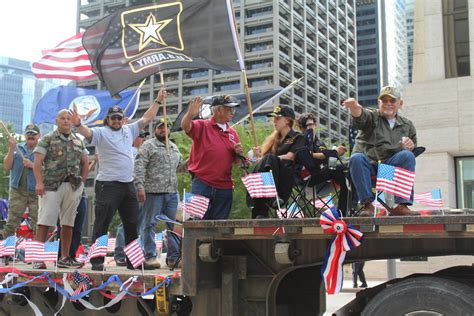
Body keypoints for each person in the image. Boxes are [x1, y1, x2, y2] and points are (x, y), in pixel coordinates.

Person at [72, 89, 166, 271]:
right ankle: (97, 261)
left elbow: (147, 117)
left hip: (128, 184)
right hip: (107, 185)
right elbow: (86, 132)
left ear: (123, 119)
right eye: (112, 118)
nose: (116, 120)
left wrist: (158, 101)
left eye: (119, 117)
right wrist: (77, 124)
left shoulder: (129, 130)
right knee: (102, 223)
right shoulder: (100, 132)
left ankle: (134, 262)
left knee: (132, 224)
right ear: (107, 119)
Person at [342, 86, 419, 216]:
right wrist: (354, 107)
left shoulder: (407, 125)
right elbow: (360, 116)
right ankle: (367, 205)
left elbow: (412, 149)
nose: (388, 104)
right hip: (368, 168)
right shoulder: (372, 116)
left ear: (400, 103)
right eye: (384, 101)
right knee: (356, 158)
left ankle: (401, 205)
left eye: (392, 101)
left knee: (407, 155)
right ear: (379, 103)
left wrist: (410, 146)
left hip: (389, 171)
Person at [33, 111, 89, 269]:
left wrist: (82, 182)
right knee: (45, 221)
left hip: (72, 185)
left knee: (68, 223)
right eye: (62, 118)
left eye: (68, 118)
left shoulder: (78, 140)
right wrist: (39, 183)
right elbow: (37, 163)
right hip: (51, 185)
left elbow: (85, 162)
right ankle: (38, 258)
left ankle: (65, 257)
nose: (65, 121)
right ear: (56, 120)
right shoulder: (47, 138)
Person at [181, 95, 243, 220]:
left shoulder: (233, 134)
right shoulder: (203, 125)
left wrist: (239, 154)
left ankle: (216, 241)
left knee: (220, 225)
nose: (232, 112)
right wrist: (190, 114)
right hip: (202, 183)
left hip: (225, 186)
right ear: (218, 110)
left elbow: (237, 162)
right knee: (199, 223)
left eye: (233, 109)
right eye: (229, 109)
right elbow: (186, 127)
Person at [135, 118, 186, 269]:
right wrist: (139, 187)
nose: (164, 130)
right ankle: (150, 256)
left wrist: (192, 160)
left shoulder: (174, 147)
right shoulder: (148, 145)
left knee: (175, 226)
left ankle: (173, 257)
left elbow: (180, 167)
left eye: (167, 127)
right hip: (153, 192)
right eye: (160, 128)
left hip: (172, 193)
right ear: (155, 129)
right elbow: (139, 166)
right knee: (149, 225)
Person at [249, 105, 305, 218]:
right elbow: (263, 162)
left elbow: (291, 156)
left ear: (288, 120)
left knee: (269, 158)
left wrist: (269, 158)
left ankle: (260, 208)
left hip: (286, 174)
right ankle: (270, 199)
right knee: (265, 162)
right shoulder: (273, 140)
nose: (274, 121)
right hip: (269, 175)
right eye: (273, 118)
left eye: (278, 118)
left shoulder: (298, 137)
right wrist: (259, 156)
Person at [295, 113, 349, 216]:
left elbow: (327, 161)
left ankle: (343, 212)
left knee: (346, 174)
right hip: (308, 179)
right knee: (341, 168)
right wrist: (333, 152)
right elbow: (309, 156)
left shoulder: (320, 143)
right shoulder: (300, 141)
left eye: (311, 124)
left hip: (324, 176)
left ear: (316, 125)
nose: (309, 128)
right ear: (301, 128)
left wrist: (334, 155)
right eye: (306, 126)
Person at [114, 130, 149, 266]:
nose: (143, 139)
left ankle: (134, 255)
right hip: (131, 189)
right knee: (128, 224)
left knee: (138, 225)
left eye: (145, 137)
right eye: (141, 136)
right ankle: (120, 254)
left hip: (143, 190)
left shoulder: (143, 152)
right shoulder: (129, 150)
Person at [2, 124, 40, 240]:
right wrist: (11, 149)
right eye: (28, 133)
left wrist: (32, 165)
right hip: (18, 191)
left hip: (37, 192)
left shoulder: (43, 152)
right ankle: (5, 253)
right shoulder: (17, 148)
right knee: (10, 224)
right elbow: (7, 166)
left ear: (39, 136)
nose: (31, 136)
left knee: (39, 225)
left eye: (33, 133)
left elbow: (48, 172)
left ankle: (38, 254)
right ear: (25, 135)